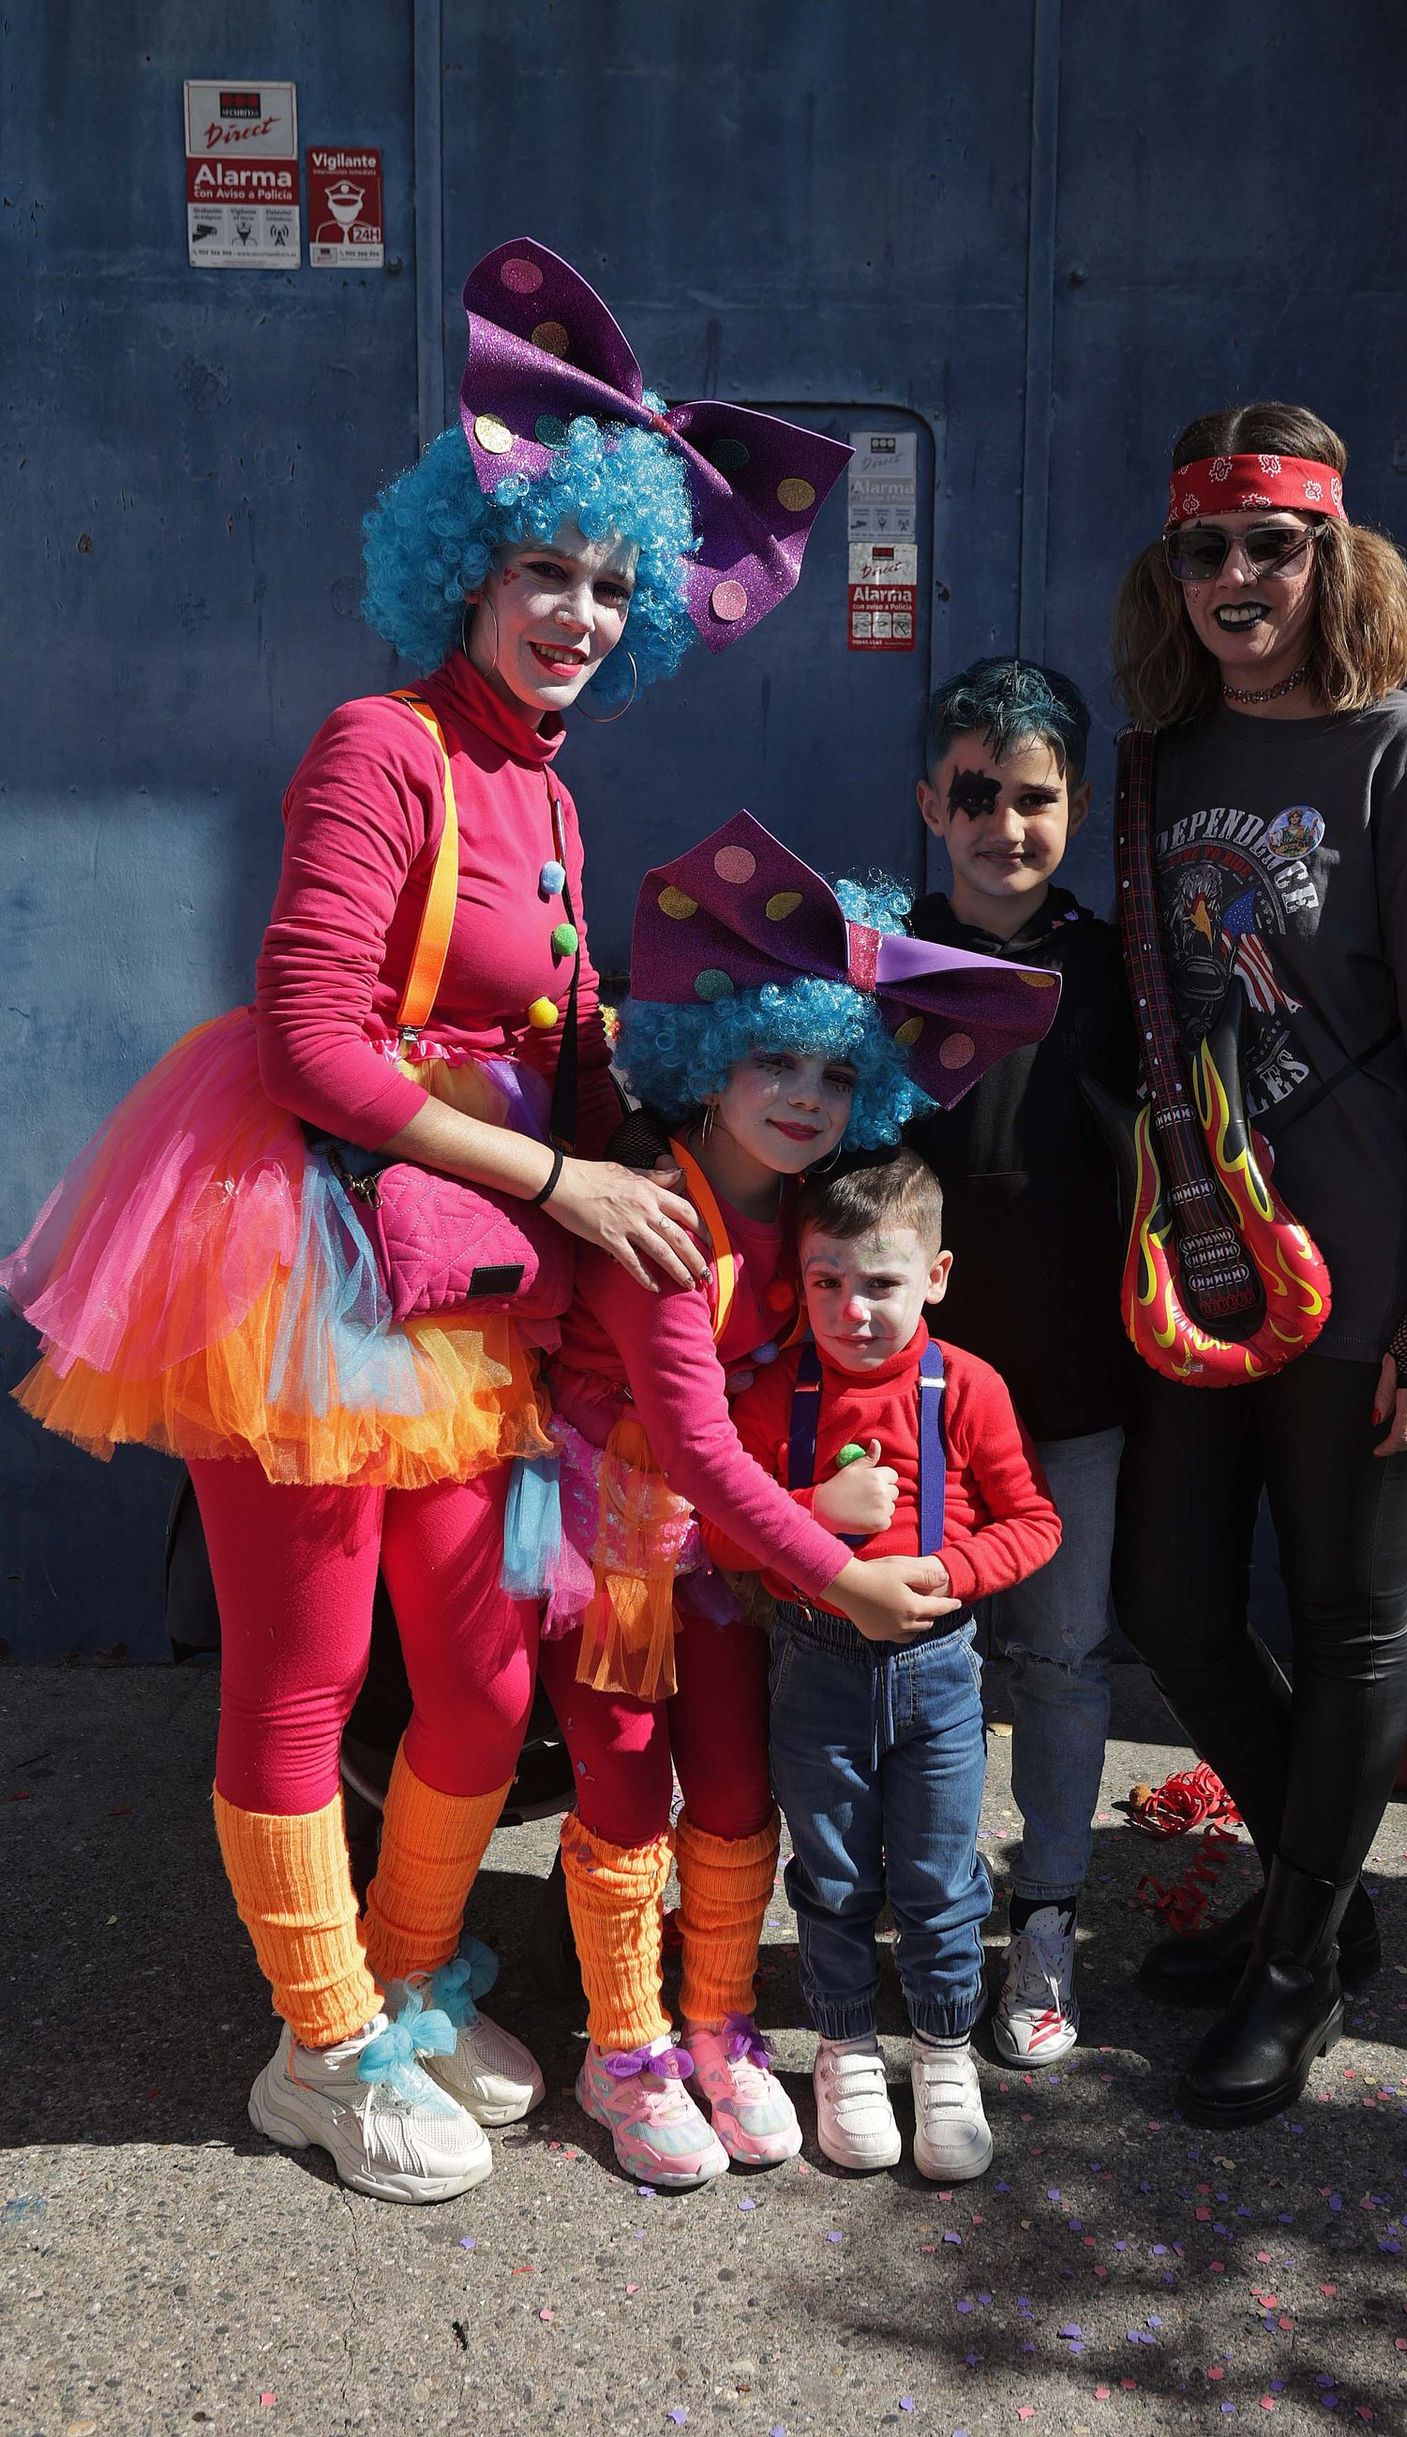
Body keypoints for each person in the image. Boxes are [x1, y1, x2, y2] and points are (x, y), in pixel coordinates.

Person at [0, 238, 848, 2203]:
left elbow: (550, 1037)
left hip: (459, 1270)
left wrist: (719, 1105)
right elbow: (309, 1040)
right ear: (465, 568)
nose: (578, 614)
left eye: (612, 587)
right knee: (303, 1671)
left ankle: (397, 1977)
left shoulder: (543, 787)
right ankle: (317, 2050)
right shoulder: (379, 744)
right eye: (548, 570)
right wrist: (565, 1179)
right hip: (302, 1245)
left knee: (474, 1679)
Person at [1107, 401, 1407, 2126]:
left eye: (1271, 546)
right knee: (1172, 1601)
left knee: (1353, 1618)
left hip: (1363, 1271)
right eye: (1204, 548)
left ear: (1331, 558)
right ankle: (1322, 1902)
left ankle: (1294, 1968)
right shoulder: (1163, 757)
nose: (1237, 577)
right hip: (1204, 1268)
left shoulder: (1403, 752)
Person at [539, 814, 1058, 2189]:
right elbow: (702, 1452)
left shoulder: (808, 1213)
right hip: (615, 1534)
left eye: (836, 1072)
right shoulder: (664, 1215)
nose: (804, 1095)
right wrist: (845, 1573)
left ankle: (717, 2021)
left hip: (730, 1547)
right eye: (773, 1058)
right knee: (624, 1776)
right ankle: (623, 2043)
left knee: (732, 1781)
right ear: (708, 1057)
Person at [702, 1148, 1061, 2180]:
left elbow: (1034, 1521)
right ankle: (848, 2044)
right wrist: (813, 1509)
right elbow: (721, 1530)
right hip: (815, 1670)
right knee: (834, 1872)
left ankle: (944, 2050)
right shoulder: (778, 1394)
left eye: (881, 1283)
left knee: (941, 1877)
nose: (852, 1310)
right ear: (799, 1278)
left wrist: (949, 1571)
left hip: (939, 1670)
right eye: (827, 1282)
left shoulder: (967, 1387)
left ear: (935, 1278)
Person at [908, 657, 1136, 2067]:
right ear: (931, 803)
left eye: (1035, 798)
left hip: (1075, 1391)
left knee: (1057, 1659)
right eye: (977, 794)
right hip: (911, 1400)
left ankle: (1045, 1913)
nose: (1006, 824)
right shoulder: (880, 962)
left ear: (1080, 807)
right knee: (917, 1667)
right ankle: (922, 1920)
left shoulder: (1120, 972)